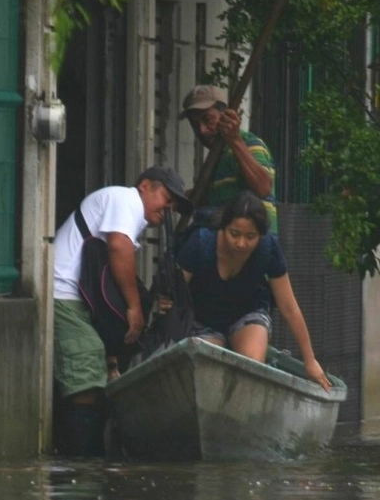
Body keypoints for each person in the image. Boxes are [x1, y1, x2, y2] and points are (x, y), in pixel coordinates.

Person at [51, 166, 193, 455]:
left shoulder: (127, 213)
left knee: (101, 369)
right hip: (62, 292)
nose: (169, 208)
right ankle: (83, 463)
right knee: (88, 361)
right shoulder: (124, 200)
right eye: (167, 197)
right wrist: (134, 307)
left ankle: (86, 462)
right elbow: (117, 247)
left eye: (175, 206)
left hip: (77, 297)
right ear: (144, 186)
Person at [176, 190, 331, 390]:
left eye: (250, 237)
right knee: (206, 370)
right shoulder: (200, 243)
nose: (241, 244)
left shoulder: (268, 249)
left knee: (250, 369)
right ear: (223, 227)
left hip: (248, 313)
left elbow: (288, 307)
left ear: (261, 235)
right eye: (234, 234)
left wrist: (310, 360)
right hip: (203, 318)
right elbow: (175, 292)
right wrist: (167, 302)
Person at [182, 84, 278, 234]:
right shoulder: (216, 159)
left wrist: (235, 140)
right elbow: (211, 199)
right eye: (195, 125)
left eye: (208, 120)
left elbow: (263, 187)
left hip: (255, 245)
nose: (202, 130)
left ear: (225, 115)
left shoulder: (250, 144)